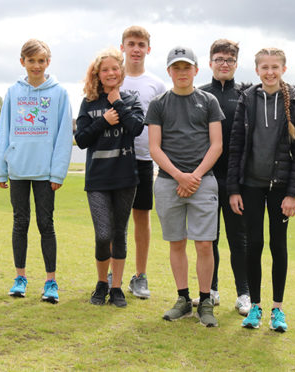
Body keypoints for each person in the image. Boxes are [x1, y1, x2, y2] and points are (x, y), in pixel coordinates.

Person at [228, 47, 295, 332]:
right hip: (250, 185)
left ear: (283, 69)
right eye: (264, 67)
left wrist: (293, 194)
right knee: (254, 245)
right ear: (257, 70)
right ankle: (256, 307)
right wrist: (233, 189)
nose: (270, 72)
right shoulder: (247, 99)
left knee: (278, 245)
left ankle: (277, 309)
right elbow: (236, 146)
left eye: (275, 67)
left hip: (280, 188)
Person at [147, 46, 224, 327]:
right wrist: (180, 176)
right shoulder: (159, 104)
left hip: (203, 181)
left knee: (204, 244)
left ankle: (205, 301)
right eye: (176, 68)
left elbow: (216, 144)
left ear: (196, 69)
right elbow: (154, 147)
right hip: (169, 182)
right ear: (169, 71)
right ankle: (183, 299)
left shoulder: (209, 101)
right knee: (176, 242)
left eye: (186, 67)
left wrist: (195, 176)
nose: (182, 72)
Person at [0, 39, 73, 304]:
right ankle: (20, 278)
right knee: (20, 223)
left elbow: (64, 136)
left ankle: (50, 282)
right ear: (22, 62)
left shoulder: (59, 93)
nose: (36, 66)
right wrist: (0, 170)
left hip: (45, 171)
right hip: (18, 169)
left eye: (41, 61)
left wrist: (58, 173)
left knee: (45, 224)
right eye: (31, 61)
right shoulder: (13, 92)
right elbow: (3, 131)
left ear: (48, 62)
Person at [75, 48, 145, 308]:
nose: (111, 73)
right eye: (105, 69)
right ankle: (101, 282)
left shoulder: (130, 100)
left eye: (115, 68)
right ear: (98, 74)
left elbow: (137, 128)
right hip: (97, 180)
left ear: (121, 71)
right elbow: (81, 140)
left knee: (120, 233)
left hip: (125, 178)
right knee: (103, 234)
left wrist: (117, 102)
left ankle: (116, 287)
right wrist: (103, 121)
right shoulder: (89, 102)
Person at [196, 39, 251, 315]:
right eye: (219, 59)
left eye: (229, 60)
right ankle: (213, 289)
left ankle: (244, 293)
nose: (224, 64)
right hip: (207, 177)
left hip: (237, 181)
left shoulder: (247, 94)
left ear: (236, 64)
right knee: (209, 237)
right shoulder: (199, 94)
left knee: (238, 237)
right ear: (210, 63)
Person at [117, 25, 166, 299]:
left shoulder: (156, 84)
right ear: (122, 46)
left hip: (144, 159)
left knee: (141, 217)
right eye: (131, 43)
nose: (136, 49)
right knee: (116, 219)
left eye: (141, 44)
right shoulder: (113, 76)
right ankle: (114, 273)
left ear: (148, 49)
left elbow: (162, 125)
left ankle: (140, 276)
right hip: (116, 158)